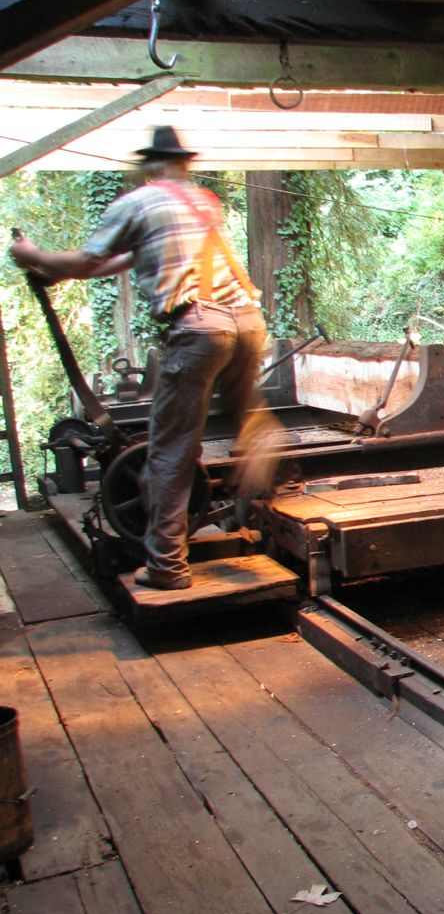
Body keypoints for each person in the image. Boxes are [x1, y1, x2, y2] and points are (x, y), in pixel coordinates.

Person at [10, 126, 280, 589]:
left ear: (151, 165)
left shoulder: (137, 202)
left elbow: (88, 261)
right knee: (242, 414)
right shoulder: (201, 203)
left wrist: (28, 253)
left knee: (170, 453)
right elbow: (134, 257)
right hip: (248, 322)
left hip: (201, 328)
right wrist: (58, 276)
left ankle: (167, 567)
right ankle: (259, 438)